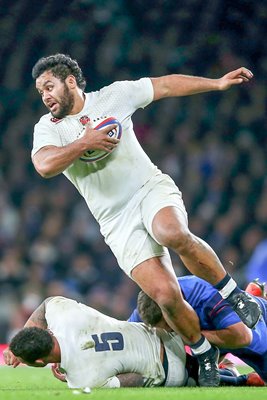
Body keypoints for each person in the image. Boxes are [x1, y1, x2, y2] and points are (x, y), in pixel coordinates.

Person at [30, 53, 261, 386]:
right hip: (115, 221)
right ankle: (204, 352)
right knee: (165, 296)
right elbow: (44, 166)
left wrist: (218, 82)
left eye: (49, 86)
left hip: (149, 189)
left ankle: (233, 293)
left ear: (69, 82)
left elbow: (166, 85)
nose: (46, 96)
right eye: (40, 92)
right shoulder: (48, 129)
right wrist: (85, 142)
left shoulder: (114, 96)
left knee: (170, 232)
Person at [3, 295, 259, 389]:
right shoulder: (63, 315)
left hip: (170, 370)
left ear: (39, 361)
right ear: (47, 333)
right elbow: (46, 305)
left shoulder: (82, 379)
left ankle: (239, 379)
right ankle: (248, 299)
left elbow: (134, 379)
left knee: (195, 380)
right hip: (166, 334)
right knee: (216, 340)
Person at [128, 275, 267, 384]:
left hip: (245, 332)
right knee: (186, 376)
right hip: (214, 335)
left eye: (170, 326)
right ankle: (229, 370)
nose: (171, 332)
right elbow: (125, 335)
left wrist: (190, 337)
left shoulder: (205, 296)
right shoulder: (148, 305)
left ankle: (256, 298)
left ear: (173, 312)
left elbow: (242, 337)